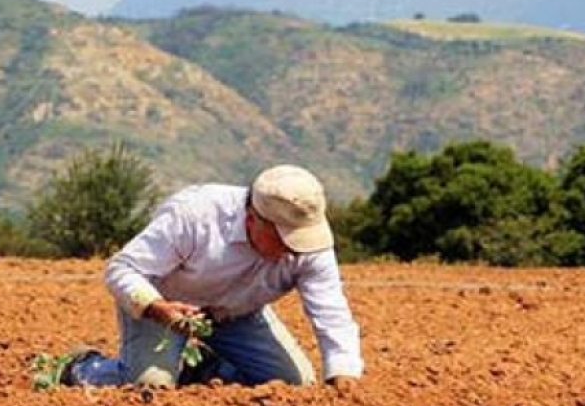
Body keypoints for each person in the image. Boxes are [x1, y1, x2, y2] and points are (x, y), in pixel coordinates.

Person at [62, 164, 363, 389]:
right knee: (150, 385)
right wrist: (157, 308)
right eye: (284, 239)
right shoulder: (195, 216)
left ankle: (201, 369)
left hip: (237, 315)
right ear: (253, 219)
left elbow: (331, 311)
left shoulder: (310, 244)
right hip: (164, 308)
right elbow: (123, 268)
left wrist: (343, 374)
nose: (293, 250)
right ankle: (84, 367)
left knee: (293, 384)